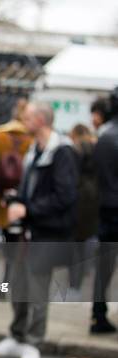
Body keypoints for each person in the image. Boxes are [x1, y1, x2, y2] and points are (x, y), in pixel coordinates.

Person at [0, 102, 78, 358]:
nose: (23, 120)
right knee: (19, 284)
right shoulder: (35, 150)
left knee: (37, 289)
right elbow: (36, 190)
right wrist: (17, 200)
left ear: (41, 120)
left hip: (47, 233)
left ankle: (33, 342)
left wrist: (27, 209)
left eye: (27, 117)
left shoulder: (61, 153)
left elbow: (65, 196)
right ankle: (16, 336)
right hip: (29, 232)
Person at [0, 98, 32, 295]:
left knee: (7, 239)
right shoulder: (31, 139)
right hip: (23, 193)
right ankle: (13, 280)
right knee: (20, 239)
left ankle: (5, 281)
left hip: (0, 192)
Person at [90, 87, 118, 334]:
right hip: (112, 210)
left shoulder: (105, 136)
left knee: (104, 267)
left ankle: (98, 314)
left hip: (106, 210)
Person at [68, 124, 98, 297]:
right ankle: (81, 277)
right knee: (85, 243)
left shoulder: (78, 150)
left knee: (76, 247)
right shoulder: (96, 147)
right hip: (92, 201)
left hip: (80, 202)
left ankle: (74, 286)